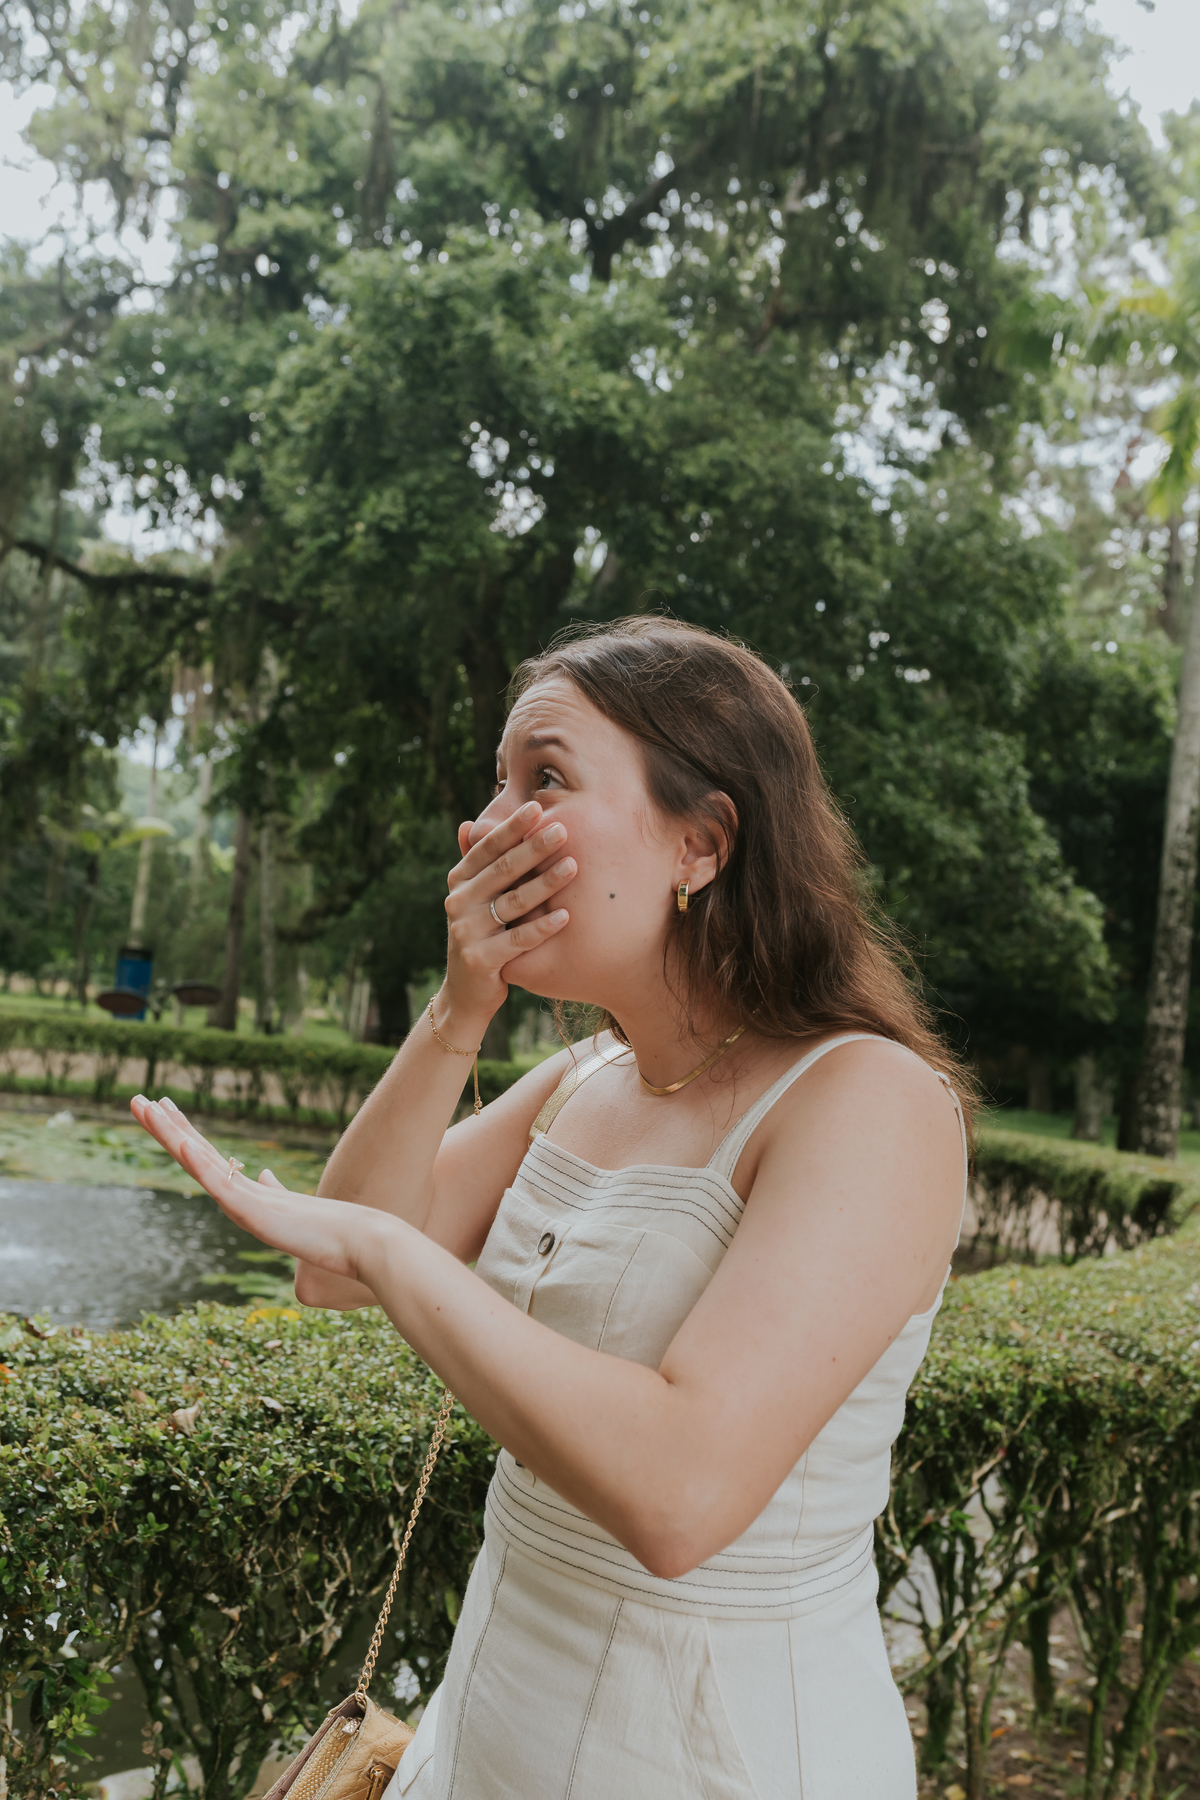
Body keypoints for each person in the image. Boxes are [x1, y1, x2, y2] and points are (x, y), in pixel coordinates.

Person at [132, 617, 969, 1800]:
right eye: (495, 784)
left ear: (702, 842)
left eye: (546, 779)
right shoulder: (583, 1079)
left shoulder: (869, 1103)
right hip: (488, 1731)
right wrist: (457, 1011)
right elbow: (331, 1269)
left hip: (717, 1756)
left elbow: (682, 1495)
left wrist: (384, 1247)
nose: (485, 828)